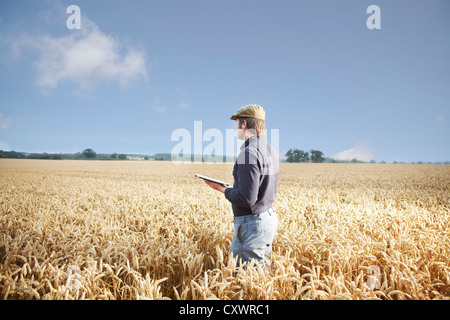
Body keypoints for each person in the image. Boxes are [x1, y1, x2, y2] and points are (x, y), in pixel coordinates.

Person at [203, 104, 279, 270]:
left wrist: (220, 188)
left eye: (236, 124)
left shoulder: (248, 153)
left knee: (245, 278)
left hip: (252, 224)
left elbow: (246, 199)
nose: (235, 128)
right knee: (259, 275)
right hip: (266, 217)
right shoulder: (269, 149)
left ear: (244, 125)